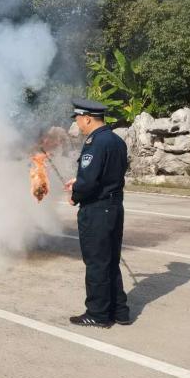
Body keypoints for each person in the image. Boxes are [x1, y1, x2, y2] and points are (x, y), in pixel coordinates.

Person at [64, 98, 131, 328]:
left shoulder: (95, 143)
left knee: (96, 263)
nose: (78, 124)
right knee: (110, 260)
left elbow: (89, 182)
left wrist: (76, 193)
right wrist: (80, 180)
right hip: (114, 207)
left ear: (88, 118)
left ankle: (98, 313)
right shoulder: (116, 141)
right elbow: (108, 174)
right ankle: (120, 311)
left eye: (79, 120)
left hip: (96, 210)